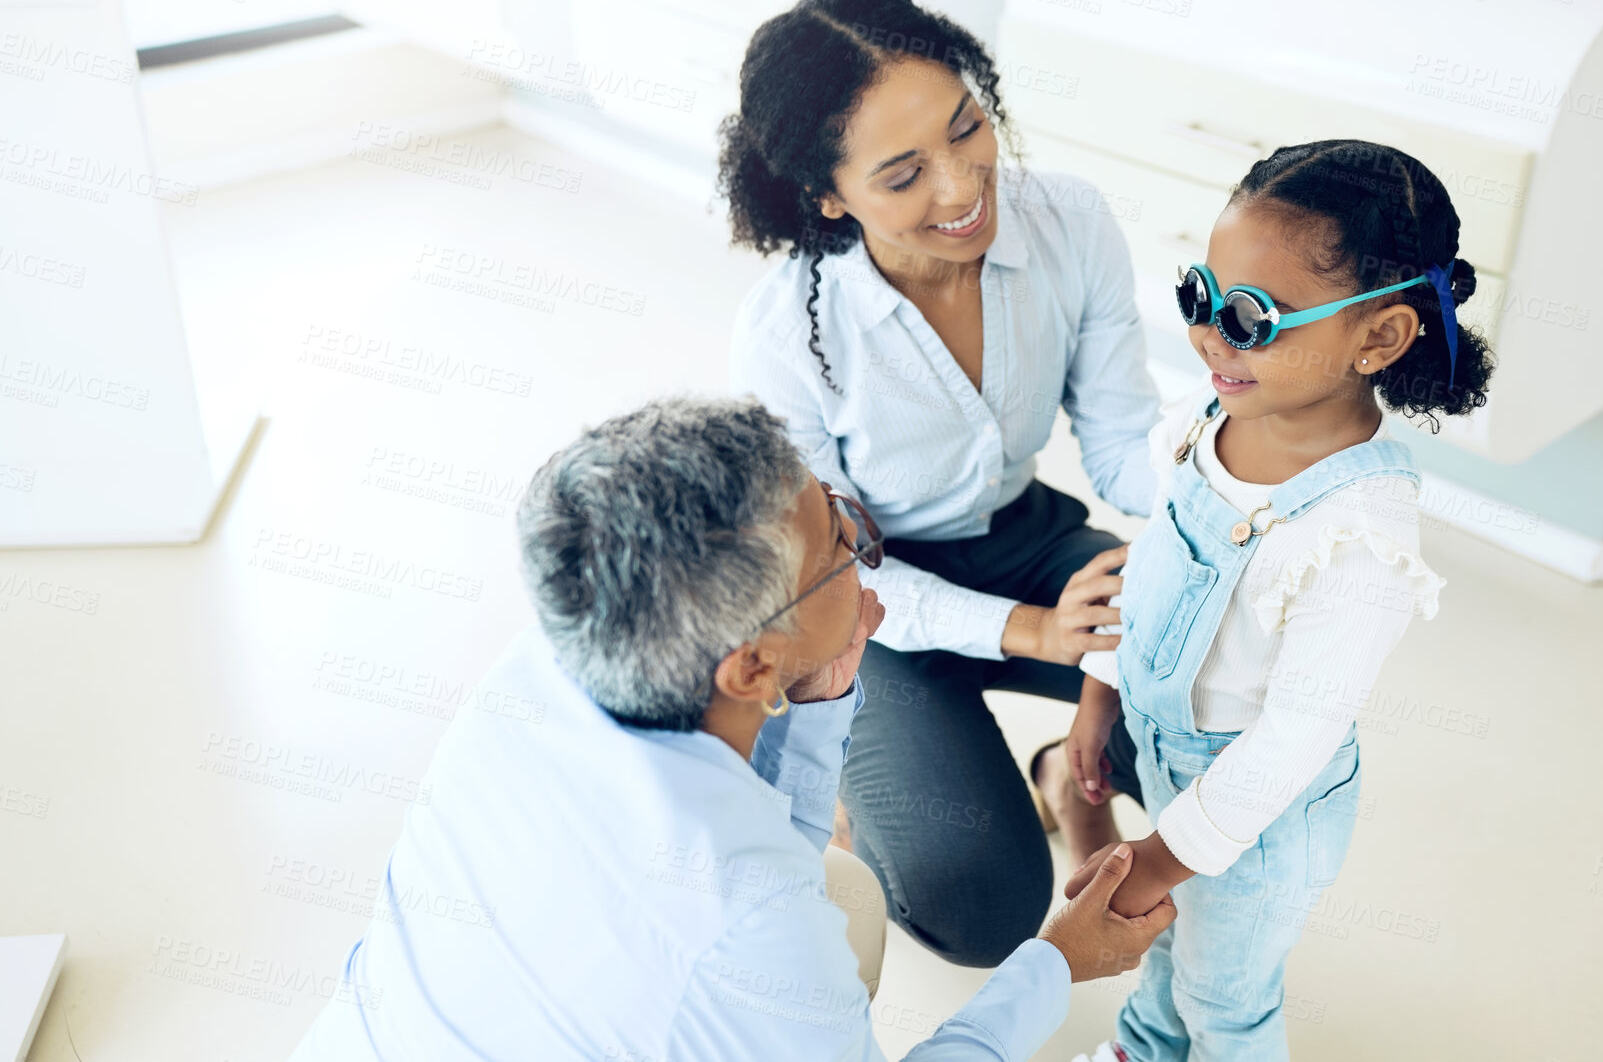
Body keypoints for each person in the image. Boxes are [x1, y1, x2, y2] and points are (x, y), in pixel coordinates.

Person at [288, 396, 1174, 1062]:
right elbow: (752, 891)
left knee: (837, 894)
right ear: (750, 668)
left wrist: (825, 701)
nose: (862, 549)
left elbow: (763, 852)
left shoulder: (530, 673)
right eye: (841, 543)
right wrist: (1058, 962)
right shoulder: (746, 920)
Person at [724, 0, 1162, 970]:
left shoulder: (1070, 223)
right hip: (863, 605)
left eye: (968, 129)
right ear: (830, 196)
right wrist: (1036, 632)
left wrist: (1217, 471)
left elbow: (1125, 444)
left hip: (1029, 538)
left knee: (1217, 689)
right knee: (977, 900)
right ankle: (844, 787)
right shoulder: (784, 335)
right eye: (905, 172)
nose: (963, 188)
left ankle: (1064, 772)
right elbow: (829, 572)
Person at [1058, 140, 1495, 1062]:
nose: (1213, 334)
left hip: (1262, 814)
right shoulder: (1201, 421)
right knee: (1167, 946)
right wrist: (1100, 693)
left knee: (1226, 996)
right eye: (1199, 296)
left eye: (1254, 316)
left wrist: (1158, 858)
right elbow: (1150, 568)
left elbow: (1293, 738)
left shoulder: (1358, 535)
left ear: (1375, 338)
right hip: (1170, 760)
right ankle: (1143, 1047)